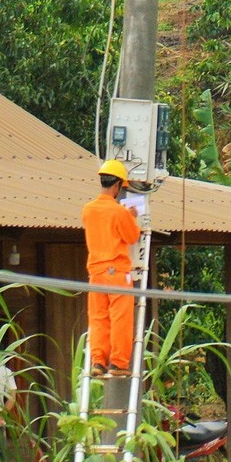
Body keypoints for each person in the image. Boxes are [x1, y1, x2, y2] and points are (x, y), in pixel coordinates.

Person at [83, 159, 143, 377]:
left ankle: (98, 362)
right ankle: (118, 363)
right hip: (116, 272)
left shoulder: (88, 210)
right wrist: (132, 217)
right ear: (117, 185)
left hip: (96, 272)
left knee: (98, 317)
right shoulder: (119, 212)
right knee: (120, 318)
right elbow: (132, 236)